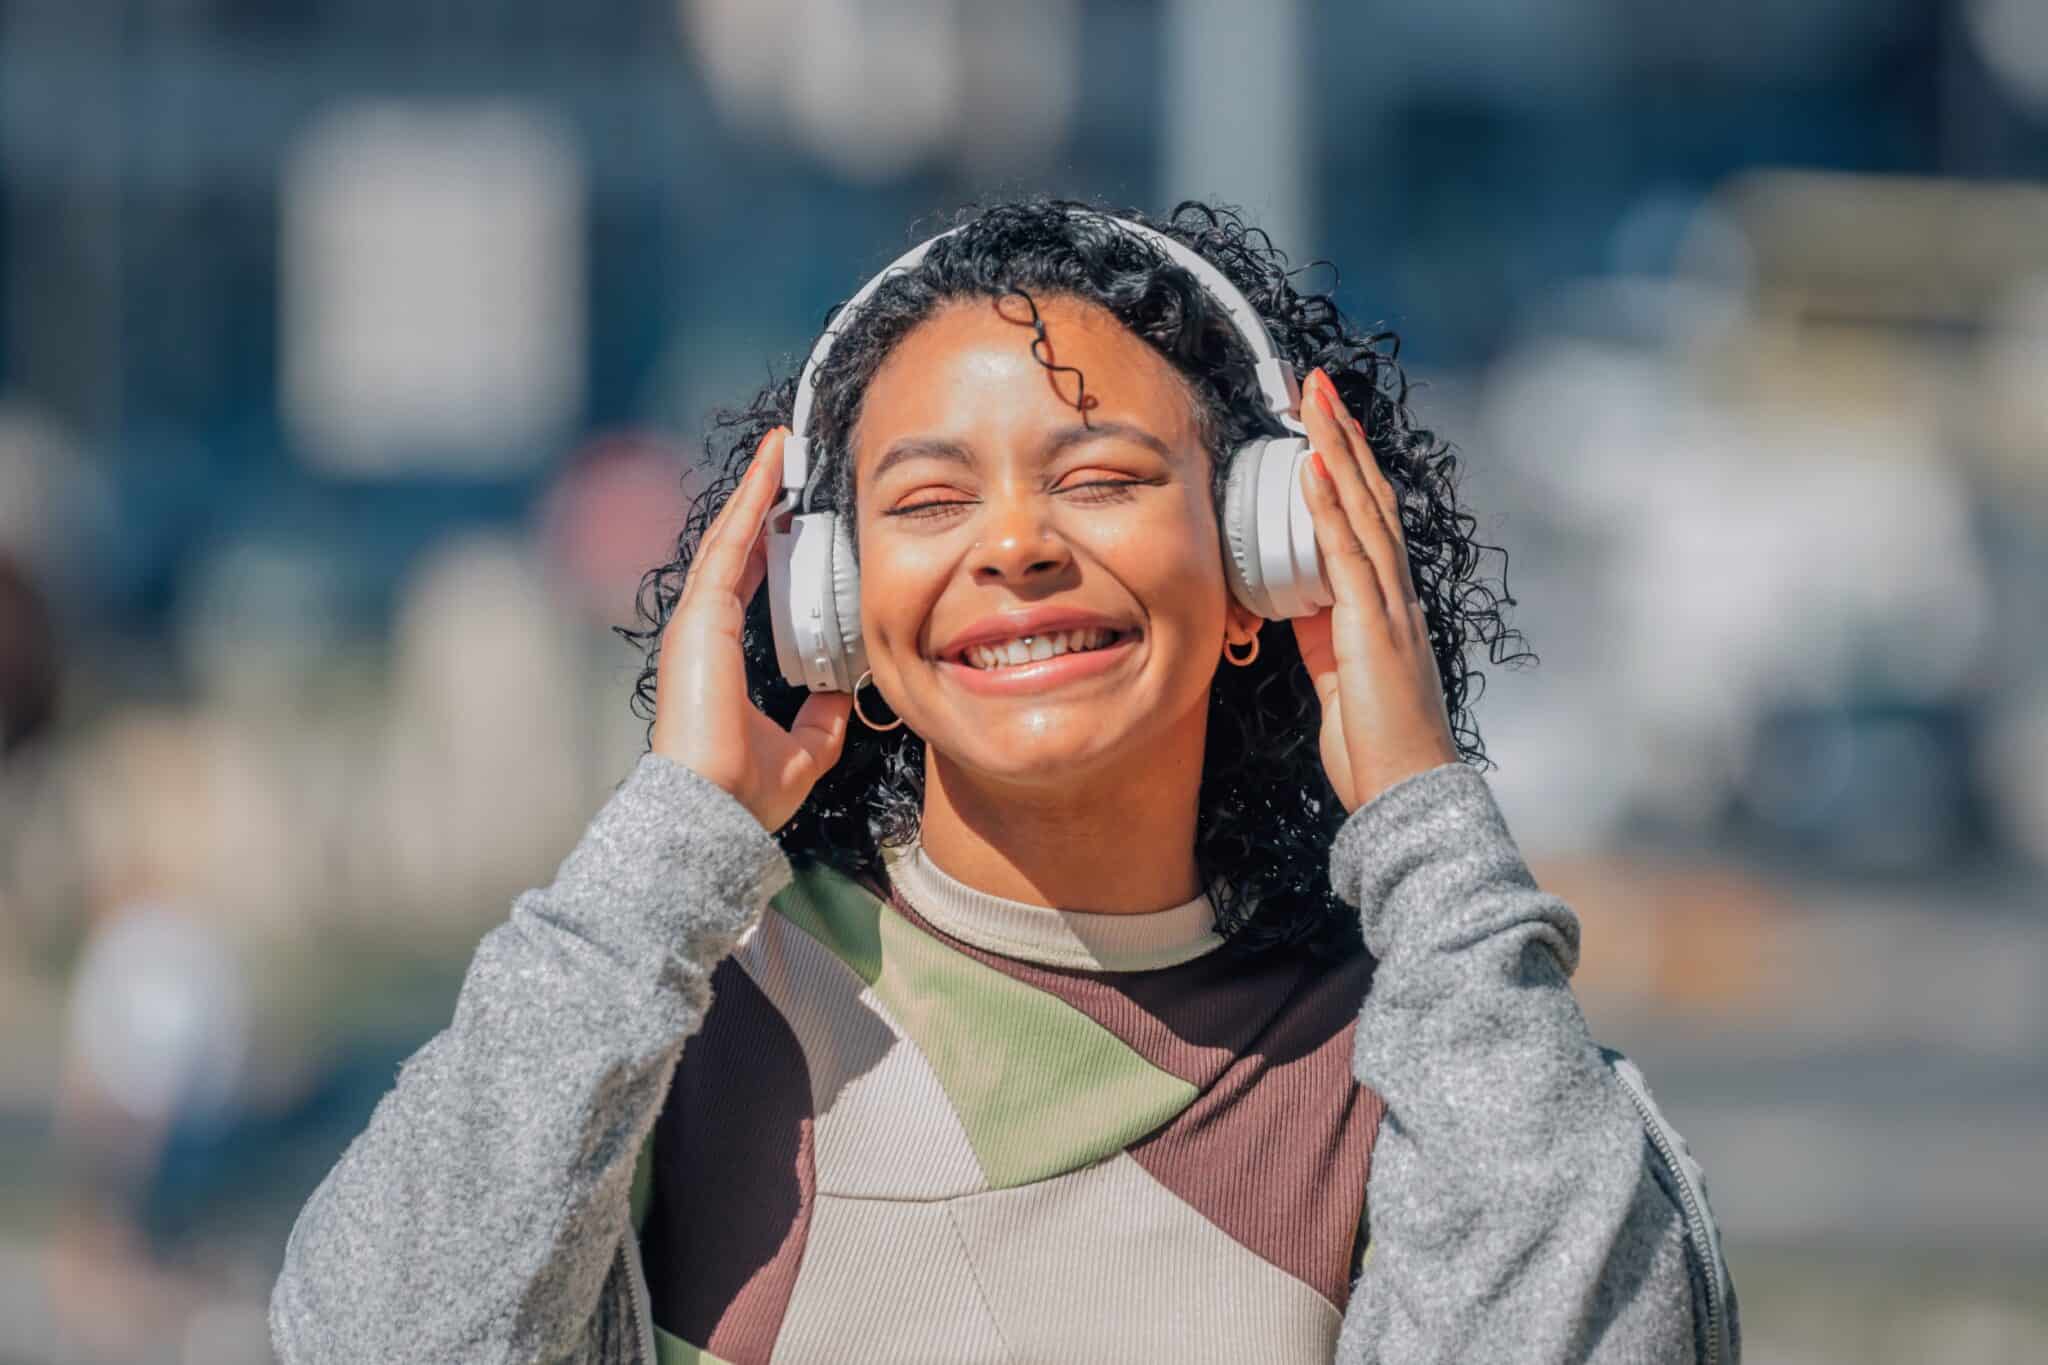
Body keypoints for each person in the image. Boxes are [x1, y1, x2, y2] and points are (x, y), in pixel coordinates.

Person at [269, 197, 1738, 1364]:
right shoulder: (673, 1040)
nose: (1018, 541)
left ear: (1260, 563)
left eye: (1100, 476)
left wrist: (1427, 824)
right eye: (928, 500)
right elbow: (374, 1334)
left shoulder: (1421, 1070)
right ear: (830, 601)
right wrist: (669, 839)